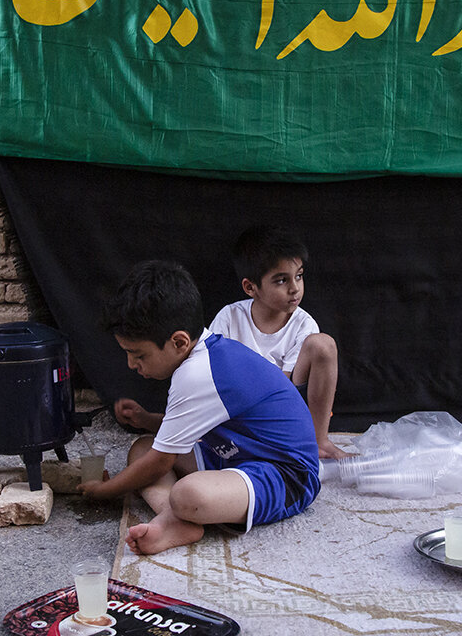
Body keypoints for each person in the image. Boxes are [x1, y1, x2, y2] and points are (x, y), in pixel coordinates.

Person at [82, 260, 320, 556]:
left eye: (138, 354)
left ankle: (177, 513)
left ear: (179, 342)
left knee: (187, 492)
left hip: (286, 474)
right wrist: (146, 420)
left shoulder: (197, 373)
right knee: (142, 448)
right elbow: (179, 431)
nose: (132, 364)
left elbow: (160, 463)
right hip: (235, 454)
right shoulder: (206, 353)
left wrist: (105, 491)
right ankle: (172, 519)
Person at [208, 225, 350, 459]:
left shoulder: (304, 325)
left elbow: (281, 387)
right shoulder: (229, 318)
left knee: (323, 345)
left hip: (285, 410)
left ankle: (319, 441)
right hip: (238, 411)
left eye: (299, 276)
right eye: (282, 280)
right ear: (250, 287)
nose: (295, 288)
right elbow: (211, 373)